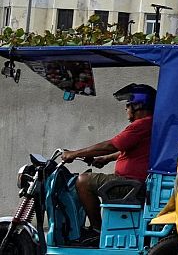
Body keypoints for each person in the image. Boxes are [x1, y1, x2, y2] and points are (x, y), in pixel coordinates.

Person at [63, 83, 155, 233]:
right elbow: (132, 150)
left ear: (138, 105)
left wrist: (74, 154)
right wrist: (106, 159)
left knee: (83, 181)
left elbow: (111, 145)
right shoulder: (150, 124)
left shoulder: (141, 125)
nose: (126, 108)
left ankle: (96, 229)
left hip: (131, 183)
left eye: (128, 104)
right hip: (133, 181)